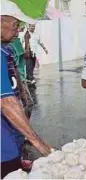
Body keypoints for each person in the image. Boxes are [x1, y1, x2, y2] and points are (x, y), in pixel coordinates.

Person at [1, 1, 52, 178]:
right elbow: (6, 103)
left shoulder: (5, 49)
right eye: (16, 25)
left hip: (12, 138)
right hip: (3, 148)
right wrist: (39, 143)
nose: (19, 30)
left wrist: (23, 91)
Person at [9, 27, 34, 118]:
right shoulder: (15, 41)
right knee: (28, 104)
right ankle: (22, 127)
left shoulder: (8, 42)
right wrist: (27, 40)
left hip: (14, 79)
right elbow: (27, 55)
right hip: (19, 78)